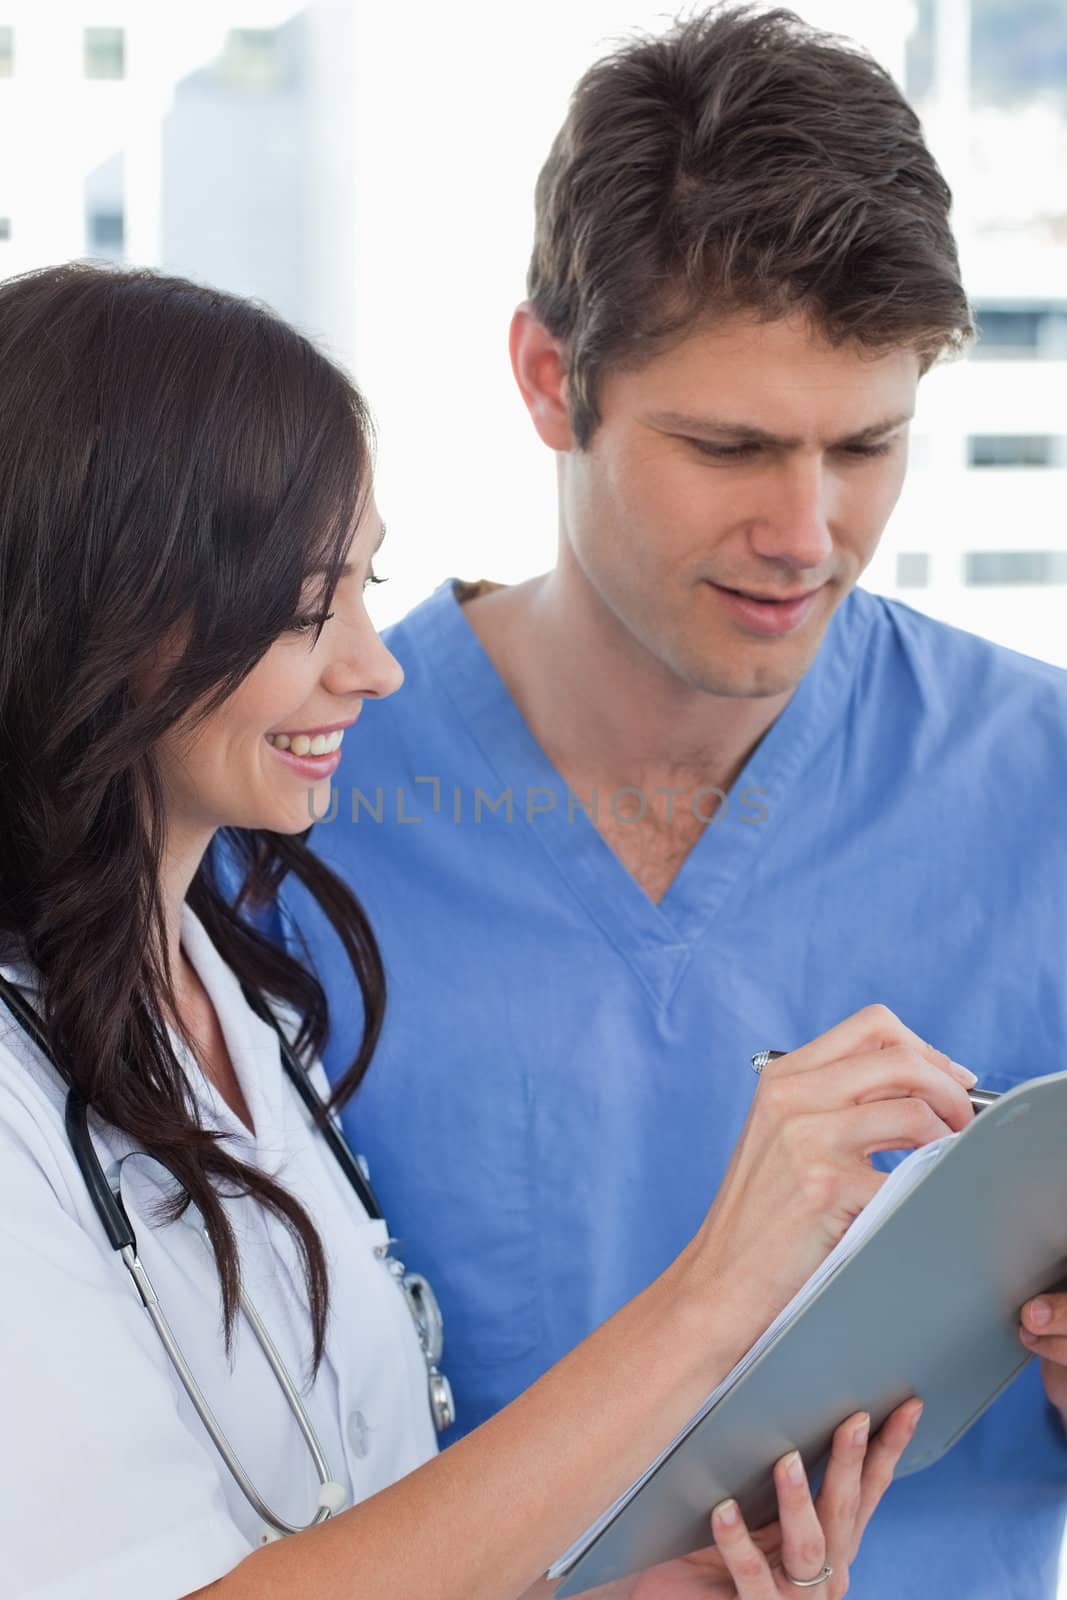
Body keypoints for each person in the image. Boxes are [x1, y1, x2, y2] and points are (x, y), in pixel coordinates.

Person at [0, 261, 976, 1600]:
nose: (376, 665)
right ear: (96, 617)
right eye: (300, 612)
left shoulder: (237, 988)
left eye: (363, 587)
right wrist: (716, 1298)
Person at [277, 8, 1067, 1599]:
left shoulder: (1039, 782)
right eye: (731, 446)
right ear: (549, 379)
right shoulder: (292, 809)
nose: (811, 532)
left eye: (869, 445)